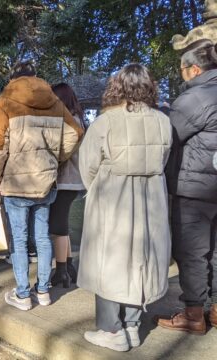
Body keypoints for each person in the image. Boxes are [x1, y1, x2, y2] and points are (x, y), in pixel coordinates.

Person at [78, 64, 172, 352]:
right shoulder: (163, 121)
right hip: (151, 197)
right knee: (140, 259)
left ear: (118, 87)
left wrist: (97, 189)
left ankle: (111, 329)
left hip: (112, 196)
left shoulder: (105, 123)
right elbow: (164, 158)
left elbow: (88, 166)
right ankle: (132, 324)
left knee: (109, 259)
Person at [0, 62, 82, 311]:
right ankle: (43, 291)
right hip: (45, 182)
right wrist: (55, 158)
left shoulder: (5, 101)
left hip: (15, 182)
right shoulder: (54, 101)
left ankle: (23, 294)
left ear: (13, 78)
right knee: (42, 236)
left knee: (19, 239)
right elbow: (75, 133)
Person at [158, 39, 217, 335]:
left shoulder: (197, 97)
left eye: (181, 68)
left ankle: (194, 314)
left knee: (193, 251)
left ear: (194, 69)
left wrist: (166, 111)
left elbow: (167, 137)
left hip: (194, 187)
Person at [49, 83, 87, 288]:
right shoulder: (78, 118)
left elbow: (63, 149)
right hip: (74, 180)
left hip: (66, 180)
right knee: (62, 224)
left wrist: (56, 159)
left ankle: (61, 271)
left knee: (58, 227)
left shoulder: (69, 120)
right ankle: (69, 265)